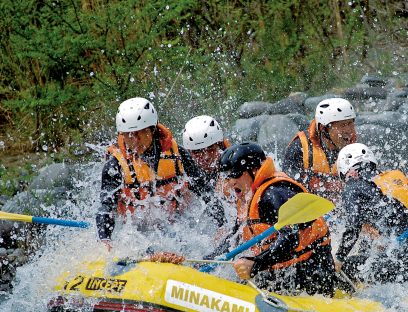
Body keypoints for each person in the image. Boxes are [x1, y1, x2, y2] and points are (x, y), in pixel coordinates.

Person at [219, 142, 350, 296]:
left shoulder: (274, 194)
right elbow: (232, 241)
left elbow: (291, 238)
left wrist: (255, 264)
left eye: (235, 174)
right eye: (227, 177)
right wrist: (198, 262)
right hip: (283, 271)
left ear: (254, 170)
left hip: (312, 271)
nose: (231, 182)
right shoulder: (247, 198)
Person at [96, 97, 223, 247]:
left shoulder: (178, 155)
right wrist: (105, 239)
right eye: (128, 135)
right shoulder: (114, 166)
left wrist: (222, 226)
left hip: (173, 227)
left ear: (152, 129)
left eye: (139, 133)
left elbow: (206, 192)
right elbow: (105, 206)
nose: (134, 140)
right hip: (132, 233)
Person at [334, 143, 408, 284]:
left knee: (346, 266)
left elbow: (353, 227)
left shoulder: (353, 187)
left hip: (405, 266)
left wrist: (339, 258)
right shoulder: (390, 181)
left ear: (344, 172)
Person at [282, 97, 357, 204]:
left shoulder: (356, 149)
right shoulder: (300, 147)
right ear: (323, 128)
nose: (349, 131)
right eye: (342, 125)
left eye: (350, 123)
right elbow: (286, 187)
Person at [182, 115, 231, 187]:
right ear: (189, 152)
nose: (206, 157)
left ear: (220, 145)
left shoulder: (233, 165)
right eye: (197, 152)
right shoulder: (184, 173)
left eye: (211, 149)